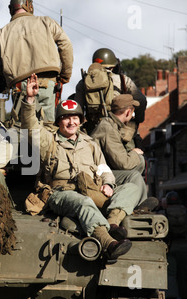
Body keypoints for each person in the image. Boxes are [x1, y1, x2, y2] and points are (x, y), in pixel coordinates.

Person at [21, 73, 141, 260]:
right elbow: (30, 125)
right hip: (60, 193)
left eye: (75, 118)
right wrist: (30, 99)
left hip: (91, 188)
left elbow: (103, 168)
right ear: (59, 121)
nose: (71, 122)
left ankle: (112, 224)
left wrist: (108, 184)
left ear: (80, 121)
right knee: (82, 203)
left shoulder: (90, 143)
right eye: (66, 118)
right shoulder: (48, 141)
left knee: (131, 188)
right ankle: (109, 243)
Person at [0, 0, 73, 122]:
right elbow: (66, 45)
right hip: (48, 83)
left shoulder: (2, 33)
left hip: (19, 87)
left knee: (24, 131)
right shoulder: (46, 21)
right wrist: (65, 75)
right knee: (48, 129)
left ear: (11, 9)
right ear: (29, 6)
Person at [75, 48, 147, 144]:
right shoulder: (122, 80)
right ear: (112, 66)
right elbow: (141, 100)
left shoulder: (84, 82)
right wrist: (138, 119)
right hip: (119, 130)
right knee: (137, 154)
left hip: (93, 131)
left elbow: (77, 108)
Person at [90, 94, 147, 205]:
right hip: (98, 175)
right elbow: (123, 163)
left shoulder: (112, 124)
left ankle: (130, 200)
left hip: (104, 170)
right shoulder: (108, 128)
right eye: (133, 112)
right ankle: (139, 206)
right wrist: (134, 153)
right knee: (136, 168)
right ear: (128, 112)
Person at [162, 191, 187, 299]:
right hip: (185, 247)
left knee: (171, 274)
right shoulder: (186, 212)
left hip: (170, 247)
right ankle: (185, 295)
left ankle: (171, 296)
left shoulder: (164, 213)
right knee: (184, 275)